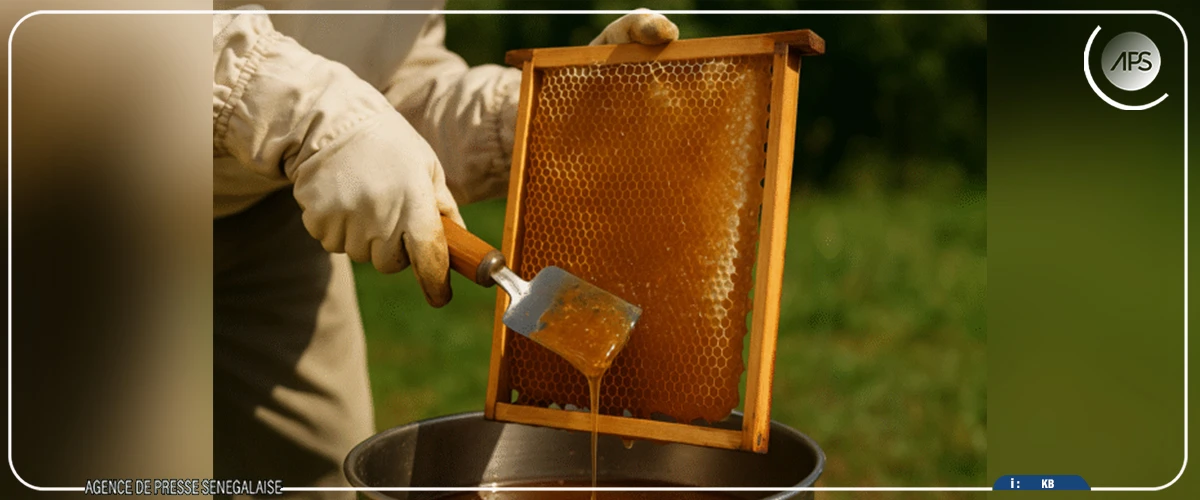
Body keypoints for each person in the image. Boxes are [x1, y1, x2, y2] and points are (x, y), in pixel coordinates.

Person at [212, 2, 678, 496]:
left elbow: (390, 79)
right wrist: (320, 121)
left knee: (314, 481)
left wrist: (535, 118)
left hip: (266, 206)